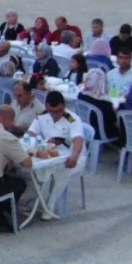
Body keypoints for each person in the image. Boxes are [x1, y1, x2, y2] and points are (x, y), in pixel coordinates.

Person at [26, 91, 86, 220]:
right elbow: (31, 133)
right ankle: (39, 201)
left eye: (58, 111)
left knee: (62, 172)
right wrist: (40, 143)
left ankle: (50, 205)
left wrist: (74, 157)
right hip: (50, 154)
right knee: (40, 170)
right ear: (46, 106)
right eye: (51, 111)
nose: (54, 114)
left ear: (64, 106)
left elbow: (78, 141)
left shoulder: (71, 118)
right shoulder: (42, 115)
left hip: (73, 156)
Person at [77, 68, 119, 142]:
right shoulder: (105, 103)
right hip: (100, 132)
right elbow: (112, 119)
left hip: (84, 127)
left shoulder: (81, 95)